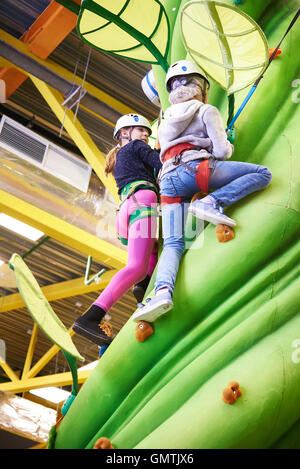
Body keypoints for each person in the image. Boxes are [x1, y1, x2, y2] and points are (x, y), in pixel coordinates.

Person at [132, 59, 272, 323]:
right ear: (202, 88)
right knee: (262, 174)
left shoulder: (163, 121)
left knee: (172, 243)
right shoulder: (207, 110)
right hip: (198, 169)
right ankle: (213, 202)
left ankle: (162, 291)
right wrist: (227, 141)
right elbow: (221, 152)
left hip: (168, 180)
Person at [73, 113, 162, 345]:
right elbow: (163, 163)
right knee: (136, 267)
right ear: (125, 133)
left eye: (147, 132)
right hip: (143, 201)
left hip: (126, 211)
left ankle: (143, 290)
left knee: (152, 251)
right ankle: (91, 317)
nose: (145, 136)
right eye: (141, 130)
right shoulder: (136, 147)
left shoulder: (120, 158)